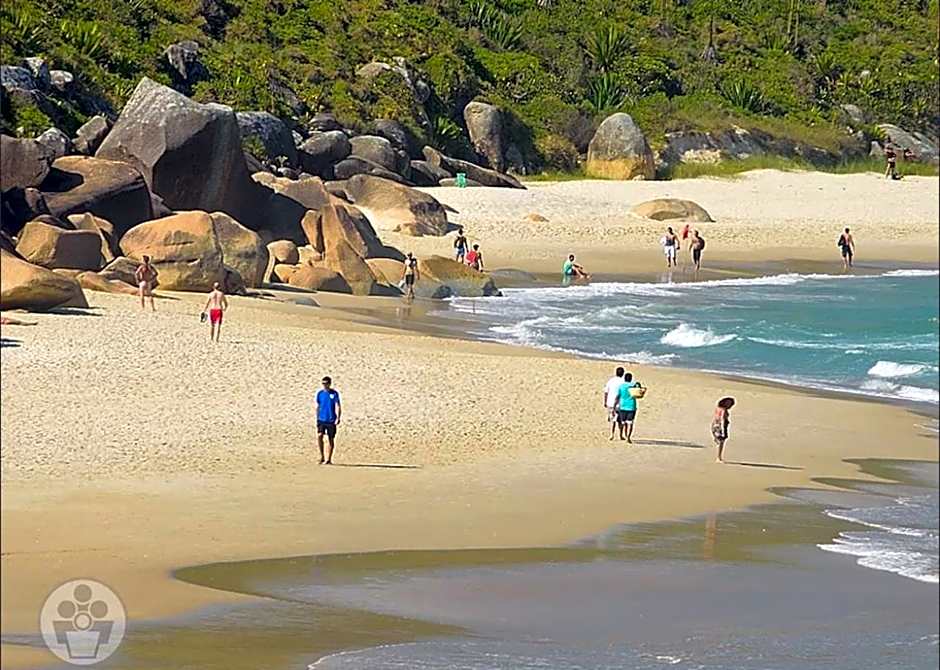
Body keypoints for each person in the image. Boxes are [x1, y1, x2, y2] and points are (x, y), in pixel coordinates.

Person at [315, 376, 342, 465]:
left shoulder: (334, 393)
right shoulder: (320, 393)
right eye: (323, 383)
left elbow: (338, 405)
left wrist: (338, 417)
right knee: (320, 435)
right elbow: (318, 406)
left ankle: (329, 459)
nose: (325, 385)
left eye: (326, 383)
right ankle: (322, 456)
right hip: (321, 419)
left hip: (331, 419)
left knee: (330, 439)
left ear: (329, 384)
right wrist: (317, 417)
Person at [614, 372, 641, 443]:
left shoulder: (621, 386)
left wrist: (615, 405)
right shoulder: (633, 385)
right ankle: (628, 437)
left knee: (622, 422)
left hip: (622, 406)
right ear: (631, 379)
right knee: (630, 423)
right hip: (631, 406)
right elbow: (639, 391)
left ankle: (621, 434)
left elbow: (618, 396)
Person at [603, 367, 625, 440]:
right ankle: (621, 435)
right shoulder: (623, 382)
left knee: (613, 420)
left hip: (610, 402)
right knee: (620, 421)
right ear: (623, 373)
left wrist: (605, 401)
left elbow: (606, 391)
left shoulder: (611, 381)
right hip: (620, 404)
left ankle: (612, 434)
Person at [712, 397, 734, 463]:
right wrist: (723, 429)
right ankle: (719, 457)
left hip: (715, 425)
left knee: (720, 441)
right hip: (720, 426)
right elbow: (722, 419)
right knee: (721, 442)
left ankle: (719, 457)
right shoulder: (723, 410)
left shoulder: (718, 408)